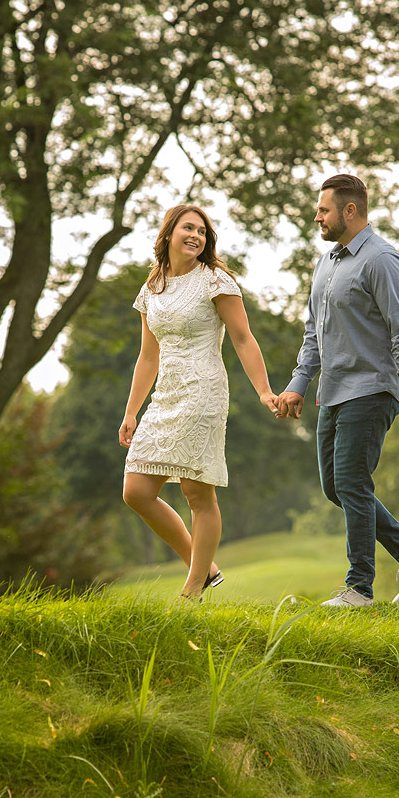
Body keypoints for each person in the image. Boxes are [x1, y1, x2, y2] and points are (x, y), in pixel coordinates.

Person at [275, 174, 399, 607]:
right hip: (332, 391)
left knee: (351, 480)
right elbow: (314, 332)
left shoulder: (383, 260)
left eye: (323, 210)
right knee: (337, 487)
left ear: (350, 210)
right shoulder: (327, 263)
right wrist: (297, 384)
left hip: (371, 390)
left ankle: (359, 589)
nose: (317, 217)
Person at [120, 203, 279, 598]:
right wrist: (131, 412)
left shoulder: (215, 281)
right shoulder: (151, 288)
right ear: (169, 233)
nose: (196, 236)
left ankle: (192, 591)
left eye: (203, 232)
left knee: (196, 492)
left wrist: (263, 390)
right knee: (136, 491)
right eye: (188, 228)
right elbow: (148, 356)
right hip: (165, 396)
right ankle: (203, 566)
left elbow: (243, 337)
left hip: (203, 390)